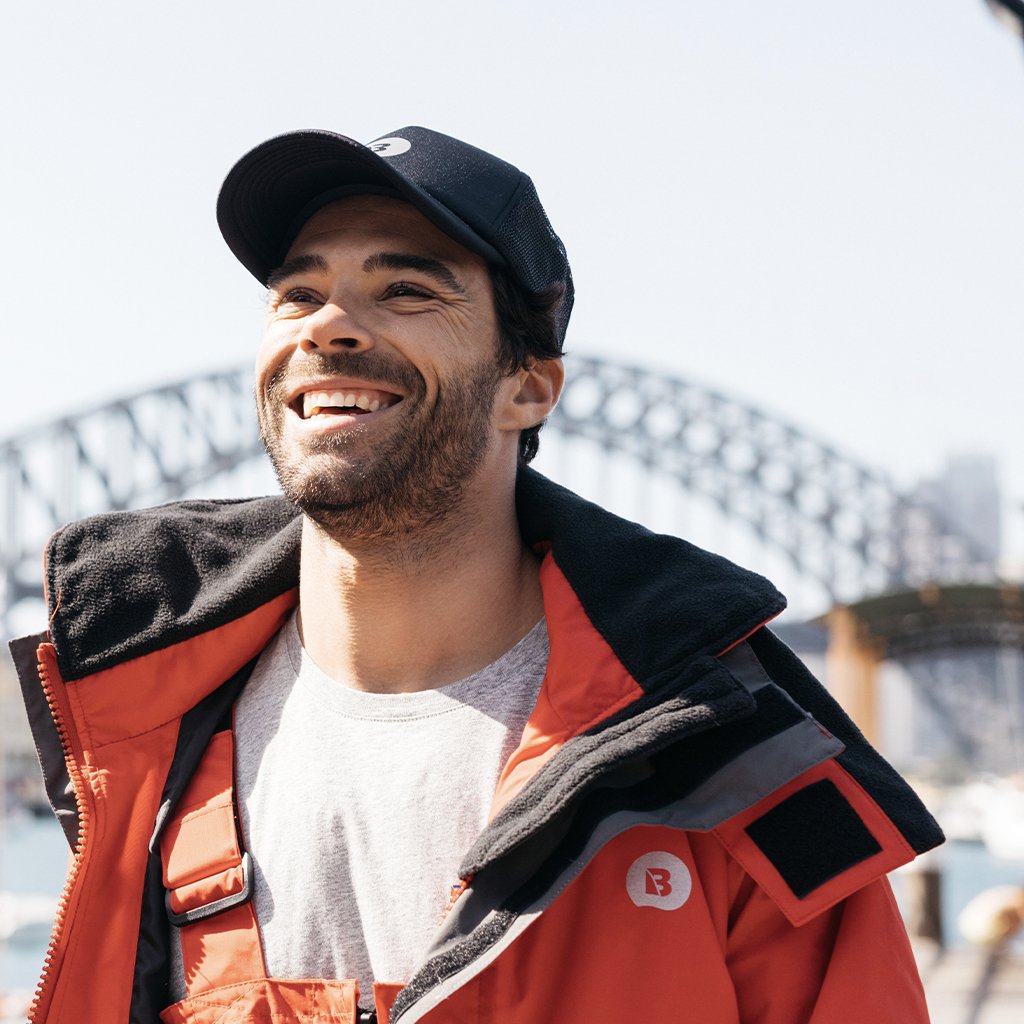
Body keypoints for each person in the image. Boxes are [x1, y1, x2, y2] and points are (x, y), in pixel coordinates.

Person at [10, 126, 941, 1024]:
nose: (329, 326)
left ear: (528, 387)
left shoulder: (734, 765)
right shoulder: (143, 736)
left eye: (407, 289)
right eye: (297, 293)